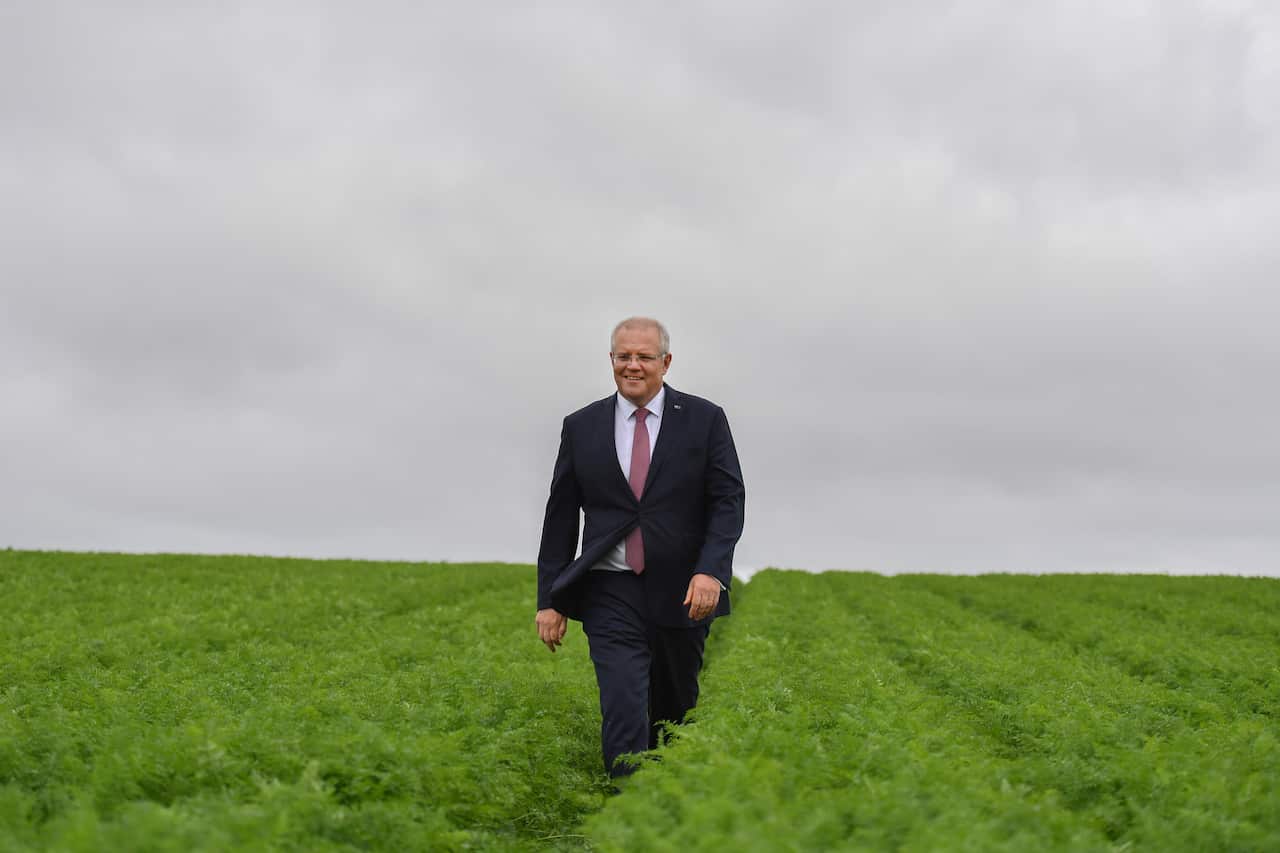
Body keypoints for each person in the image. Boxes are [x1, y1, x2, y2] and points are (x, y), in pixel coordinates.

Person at [535, 316, 746, 778]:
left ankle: (666, 805)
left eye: (644, 357)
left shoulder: (705, 419)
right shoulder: (582, 425)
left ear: (665, 362)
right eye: (623, 356)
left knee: (673, 711)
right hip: (610, 589)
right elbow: (560, 517)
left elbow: (728, 501)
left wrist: (711, 570)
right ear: (611, 360)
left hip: (683, 590)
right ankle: (626, 806)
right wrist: (550, 599)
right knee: (624, 703)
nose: (633, 366)